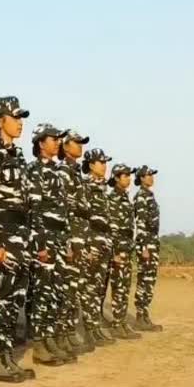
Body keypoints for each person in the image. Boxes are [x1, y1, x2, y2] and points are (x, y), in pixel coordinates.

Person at [0, 96, 36, 382]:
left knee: (16, 298)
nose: (21, 122)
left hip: (22, 236)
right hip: (5, 235)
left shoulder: (20, 157)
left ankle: (6, 356)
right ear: (1, 121)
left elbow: (26, 202)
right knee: (3, 298)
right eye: (16, 117)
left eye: (22, 117)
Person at [26, 124, 76, 365]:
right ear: (40, 143)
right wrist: (40, 245)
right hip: (44, 238)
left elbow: (63, 211)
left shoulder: (57, 171)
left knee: (56, 293)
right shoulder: (33, 171)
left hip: (58, 237)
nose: (57, 142)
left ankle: (50, 338)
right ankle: (39, 344)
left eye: (59, 139)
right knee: (42, 293)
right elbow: (34, 211)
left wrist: (65, 242)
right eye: (53, 138)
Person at [56, 129, 92, 354]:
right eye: (77, 143)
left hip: (79, 237)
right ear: (65, 145)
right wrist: (68, 242)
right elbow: (65, 208)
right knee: (66, 289)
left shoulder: (75, 172)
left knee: (75, 288)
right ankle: (62, 334)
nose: (81, 147)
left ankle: (68, 332)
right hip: (69, 237)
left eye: (81, 143)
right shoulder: (63, 172)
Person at [81, 149, 117, 348]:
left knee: (98, 288)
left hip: (105, 241)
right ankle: (89, 329)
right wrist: (87, 244)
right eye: (100, 162)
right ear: (90, 165)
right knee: (89, 287)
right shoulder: (85, 186)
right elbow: (82, 217)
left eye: (105, 162)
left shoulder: (103, 189)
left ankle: (95, 327)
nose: (104, 165)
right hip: (93, 241)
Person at [107, 163, 142, 340]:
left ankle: (121, 323)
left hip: (127, 247)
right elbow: (112, 228)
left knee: (125, 286)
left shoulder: (125, 198)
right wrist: (115, 251)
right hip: (119, 249)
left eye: (129, 175)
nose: (128, 178)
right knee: (119, 287)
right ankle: (116, 324)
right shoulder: (113, 199)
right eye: (125, 175)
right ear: (116, 178)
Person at [133, 165, 163, 331]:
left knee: (150, 280)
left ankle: (145, 315)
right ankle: (140, 316)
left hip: (152, 241)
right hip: (146, 243)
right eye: (148, 175)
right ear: (141, 178)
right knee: (144, 279)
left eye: (152, 174)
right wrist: (144, 247)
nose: (152, 177)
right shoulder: (141, 197)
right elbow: (141, 223)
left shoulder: (150, 196)